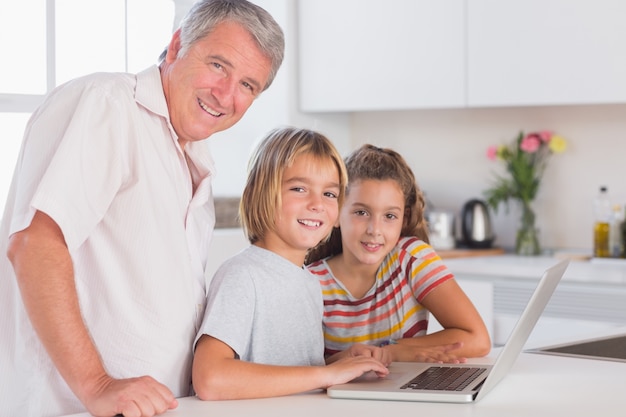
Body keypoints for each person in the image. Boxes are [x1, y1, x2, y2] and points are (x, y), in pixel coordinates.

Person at [0, 1, 284, 416]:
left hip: (156, 407)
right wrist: (97, 385)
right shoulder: (109, 104)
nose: (226, 95)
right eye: (218, 65)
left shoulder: (193, 156)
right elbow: (34, 245)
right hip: (69, 408)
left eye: (248, 85)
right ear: (175, 47)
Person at [191, 127, 389, 400]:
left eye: (329, 194)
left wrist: (339, 364)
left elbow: (289, 376)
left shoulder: (308, 281)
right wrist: (326, 375)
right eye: (299, 189)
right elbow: (210, 379)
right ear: (260, 193)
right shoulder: (241, 275)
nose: (317, 204)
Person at [306, 144, 492, 363]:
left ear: (403, 219)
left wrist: (392, 352)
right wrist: (382, 355)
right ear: (336, 213)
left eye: (389, 216)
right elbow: (306, 371)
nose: (374, 229)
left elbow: (478, 339)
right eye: (361, 212)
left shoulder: (411, 259)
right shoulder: (311, 283)